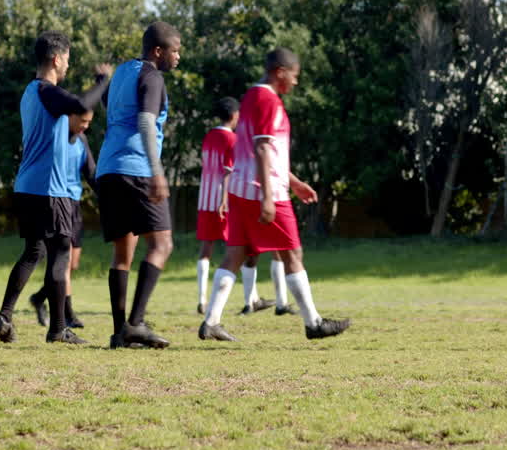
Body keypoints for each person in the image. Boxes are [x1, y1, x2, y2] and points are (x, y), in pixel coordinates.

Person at [198, 48, 350, 343]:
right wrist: (269, 196)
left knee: (235, 253)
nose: (295, 83)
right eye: (295, 76)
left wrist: (294, 182)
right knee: (293, 252)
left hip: (241, 188)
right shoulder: (268, 100)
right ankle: (313, 322)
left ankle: (211, 321)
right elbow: (264, 149)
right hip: (263, 191)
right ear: (281, 72)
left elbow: (261, 148)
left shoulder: (251, 97)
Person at [0, 32, 109, 345]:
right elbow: (83, 104)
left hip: (27, 186)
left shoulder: (30, 93)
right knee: (60, 253)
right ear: (56, 59)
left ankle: (5, 315)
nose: (68, 65)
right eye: (67, 58)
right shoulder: (46, 91)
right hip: (49, 189)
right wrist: (103, 81)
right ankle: (58, 329)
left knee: (33, 251)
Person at [97, 22, 182, 349]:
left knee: (122, 253)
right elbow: (146, 121)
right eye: (174, 50)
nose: (178, 57)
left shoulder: (122, 72)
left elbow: (112, 109)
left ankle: (120, 332)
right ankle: (136, 323)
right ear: (157, 51)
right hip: (138, 170)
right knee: (162, 246)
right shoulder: (152, 76)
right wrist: (157, 171)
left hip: (109, 169)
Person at [194, 97, 288, 316]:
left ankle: (202, 299)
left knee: (206, 250)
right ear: (235, 115)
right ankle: (250, 300)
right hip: (225, 200)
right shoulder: (233, 140)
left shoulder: (209, 137)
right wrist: (225, 199)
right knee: (243, 250)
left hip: (205, 198)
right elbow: (228, 171)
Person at [27, 109, 97, 331]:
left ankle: (39, 297)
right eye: (83, 121)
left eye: (89, 122)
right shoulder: (54, 136)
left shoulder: (82, 140)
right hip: (55, 200)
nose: (85, 125)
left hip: (74, 203)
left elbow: (91, 172)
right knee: (62, 263)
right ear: (70, 117)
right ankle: (67, 314)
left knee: (72, 264)